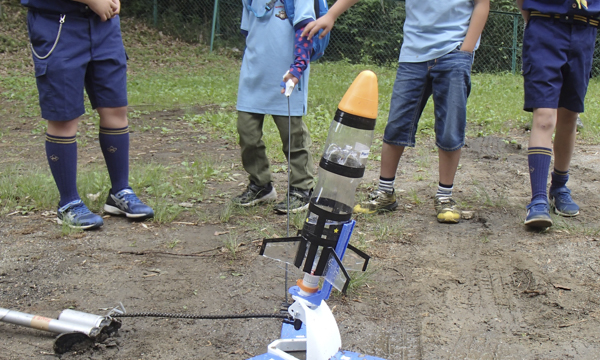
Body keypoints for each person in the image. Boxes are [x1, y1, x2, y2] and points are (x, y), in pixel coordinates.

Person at [304, 0, 489, 223]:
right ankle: (385, 193)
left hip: (454, 53)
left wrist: (466, 50)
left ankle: (444, 196)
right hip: (413, 55)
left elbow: (482, 3)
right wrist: (331, 14)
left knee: (451, 126)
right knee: (397, 124)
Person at [21, 0, 154, 230]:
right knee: (64, 116)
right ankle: (68, 203)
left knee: (114, 108)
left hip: (104, 26)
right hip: (58, 24)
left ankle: (120, 192)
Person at [516, 0, 599, 228]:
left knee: (569, 115)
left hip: (585, 29)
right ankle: (538, 200)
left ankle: (559, 186)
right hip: (545, 26)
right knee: (544, 115)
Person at [232, 0, 316, 214]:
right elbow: (248, 31)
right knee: (247, 133)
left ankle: (302, 188)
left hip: (288, 76)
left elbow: (306, 30)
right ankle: (261, 185)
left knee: (293, 136)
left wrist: (298, 68)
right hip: (253, 74)